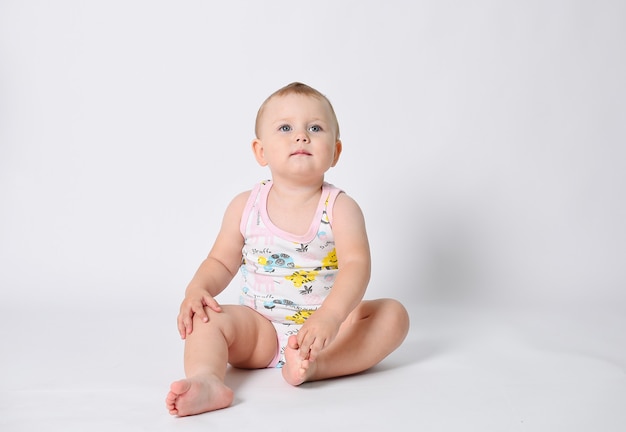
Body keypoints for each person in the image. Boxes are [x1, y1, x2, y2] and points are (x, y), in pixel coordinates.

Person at [165, 82, 410, 416]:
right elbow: (221, 261)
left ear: (335, 152)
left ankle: (316, 366)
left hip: (326, 334)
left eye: (315, 127)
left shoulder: (339, 208)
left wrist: (331, 317)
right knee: (206, 318)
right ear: (260, 151)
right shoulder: (244, 206)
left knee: (393, 315)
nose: (301, 136)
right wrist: (197, 289)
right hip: (258, 330)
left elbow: (356, 266)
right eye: (285, 128)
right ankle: (206, 380)